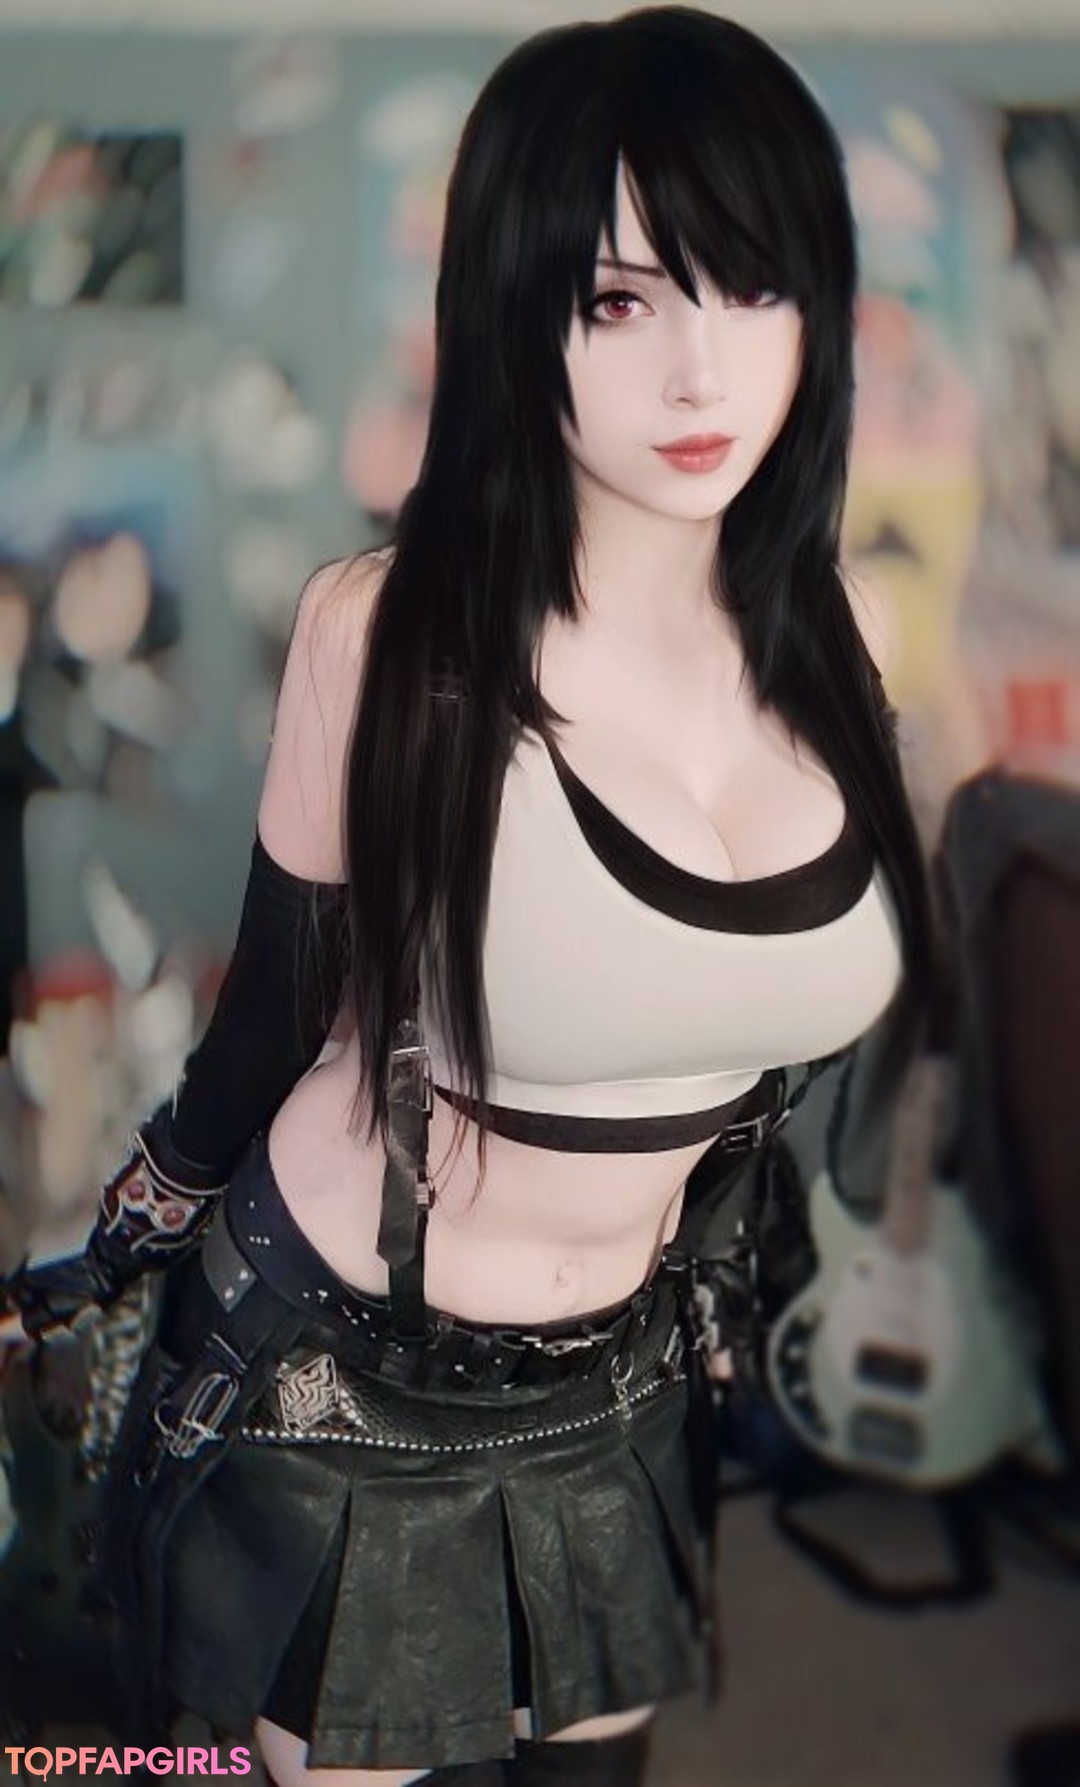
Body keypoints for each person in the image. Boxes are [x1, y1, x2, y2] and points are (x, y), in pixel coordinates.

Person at [3, 9, 936, 1784]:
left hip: (627, 1382)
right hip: (341, 1379)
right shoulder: (389, 637)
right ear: (518, 316)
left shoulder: (842, 639)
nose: (703, 374)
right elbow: (273, 1016)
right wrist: (119, 1240)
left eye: (752, 290)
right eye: (621, 301)